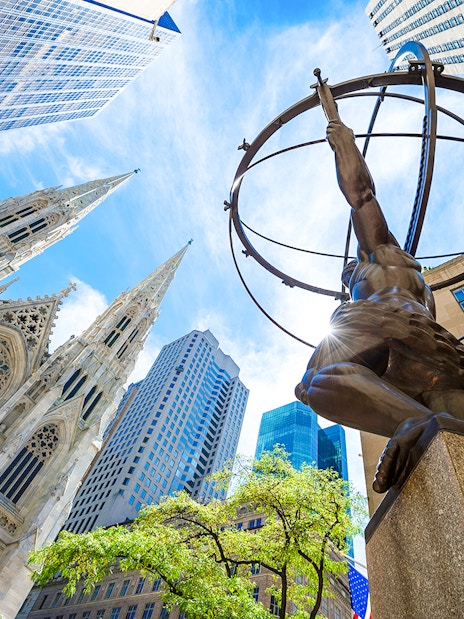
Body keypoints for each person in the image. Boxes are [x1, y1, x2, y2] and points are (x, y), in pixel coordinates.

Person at [295, 119, 464, 493]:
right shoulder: (408, 283)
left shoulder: (383, 254)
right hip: (431, 357)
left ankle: (414, 420)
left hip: (393, 328)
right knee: (451, 418)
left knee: (312, 383)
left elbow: (363, 195)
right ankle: (425, 420)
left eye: (350, 270)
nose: (348, 273)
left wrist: (345, 144)